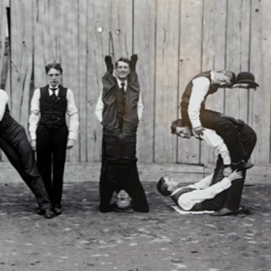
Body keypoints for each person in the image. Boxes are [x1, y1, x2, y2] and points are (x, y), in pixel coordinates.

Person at [0, 68, 55, 219]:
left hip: (15, 133)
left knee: (30, 168)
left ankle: (47, 206)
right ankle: (43, 202)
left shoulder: (0, 94)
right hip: (0, 137)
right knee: (22, 170)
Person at [170, 115, 257, 215]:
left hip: (244, 137)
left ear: (187, 125)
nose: (182, 136)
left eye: (181, 131)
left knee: (237, 167)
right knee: (224, 166)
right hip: (233, 141)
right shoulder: (196, 130)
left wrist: (228, 166)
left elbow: (221, 147)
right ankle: (227, 203)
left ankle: (231, 207)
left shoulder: (200, 130)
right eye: (179, 135)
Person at [95, 55, 149, 213]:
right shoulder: (109, 88)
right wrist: (106, 124)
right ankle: (105, 200)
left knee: (128, 160)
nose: (123, 70)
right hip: (111, 128)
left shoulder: (134, 87)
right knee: (110, 164)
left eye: (126, 67)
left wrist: (133, 124)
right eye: (120, 68)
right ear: (117, 70)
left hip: (128, 128)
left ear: (129, 69)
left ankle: (136, 196)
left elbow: (139, 106)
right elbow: (99, 108)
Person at [29, 62, 79, 215]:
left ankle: (56, 202)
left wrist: (72, 136)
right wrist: (33, 137)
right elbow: (34, 115)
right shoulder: (39, 92)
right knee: (43, 168)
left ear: (61, 75)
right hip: (43, 132)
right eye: (51, 75)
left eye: (57, 75)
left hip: (60, 133)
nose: (54, 78)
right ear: (47, 76)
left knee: (58, 168)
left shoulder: (67, 93)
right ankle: (45, 203)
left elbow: (73, 114)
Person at [179, 69, 254, 170]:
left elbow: (228, 84)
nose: (222, 84)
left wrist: (243, 85)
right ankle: (237, 160)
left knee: (224, 118)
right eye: (223, 81)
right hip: (190, 113)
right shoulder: (203, 82)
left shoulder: (215, 78)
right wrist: (196, 125)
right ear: (221, 73)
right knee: (226, 125)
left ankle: (237, 155)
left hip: (198, 111)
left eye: (224, 85)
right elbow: (193, 106)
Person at [156, 169, 243, 213]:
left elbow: (200, 185)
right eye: (170, 180)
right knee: (222, 165)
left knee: (221, 168)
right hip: (216, 203)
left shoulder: (180, 191)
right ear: (169, 188)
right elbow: (208, 193)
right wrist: (229, 179)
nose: (173, 178)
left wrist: (216, 174)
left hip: (212, 197)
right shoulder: (183, 198)